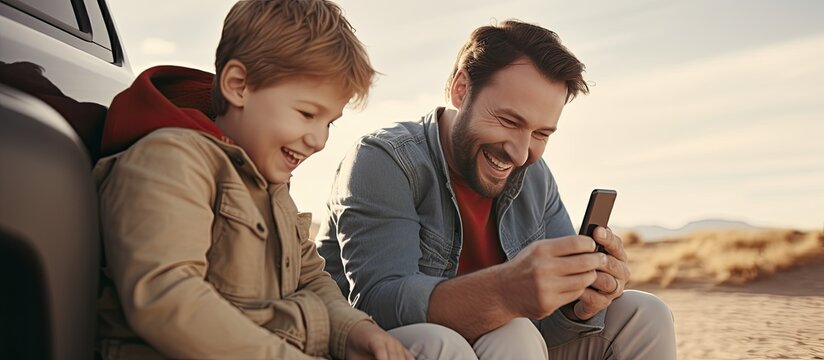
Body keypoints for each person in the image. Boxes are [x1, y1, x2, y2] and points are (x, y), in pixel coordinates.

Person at [317, 20, 677, 359]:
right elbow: (378, 304)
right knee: (495, 333)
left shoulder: (535, 176)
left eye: (540, 134)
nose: (521, 154)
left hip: (507, 346)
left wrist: (581, 305)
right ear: (461, 89)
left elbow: (545, 326)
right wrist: (504, 293)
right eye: (508, 121)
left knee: (644, 313)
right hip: (405, 344)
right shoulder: (384, 160)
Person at [94, 1, 412, 359]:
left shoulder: (270, 186)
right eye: (307, 114)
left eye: (329, 123)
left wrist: (355, 330)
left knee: (426, 345)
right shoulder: (171, 161)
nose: (319, 140)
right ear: (239, 86)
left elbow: (309, 278)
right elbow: (168, 298)